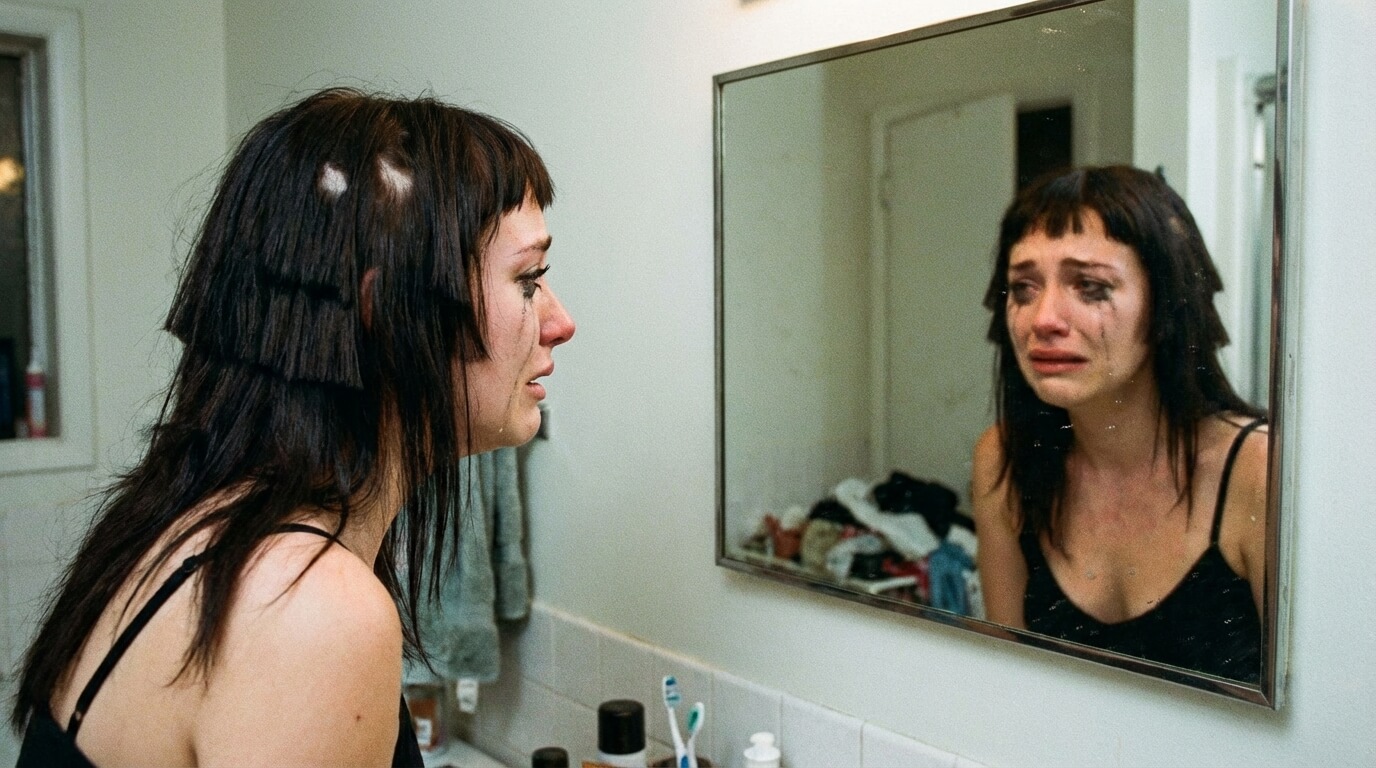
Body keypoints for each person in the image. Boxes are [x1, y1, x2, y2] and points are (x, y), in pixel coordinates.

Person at [9, 87, 575, 766]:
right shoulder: (309, 609)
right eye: (527, 279)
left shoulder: (203, 528)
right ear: (385, 311)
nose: (559, 321)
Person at [971, 165, 1268, 682]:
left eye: (1089, 286)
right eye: (1023, 288)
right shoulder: (1005, 461)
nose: (1043, 319)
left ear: (1165, 306)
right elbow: (1011, 688)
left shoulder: (1258, 473)